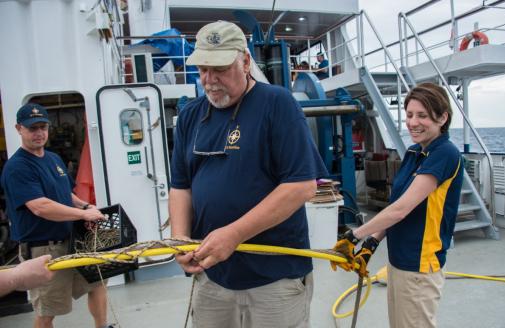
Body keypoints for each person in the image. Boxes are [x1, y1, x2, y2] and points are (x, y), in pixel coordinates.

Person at [169, 21, 328, 328]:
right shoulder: (190, 115)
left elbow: (301, 186)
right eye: (203, 69)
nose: (210, 80)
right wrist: (180, 238)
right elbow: (180, 186)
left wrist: (234, 234)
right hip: (212, 277)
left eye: (220, 69)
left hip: (275, 280)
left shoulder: (277, 104)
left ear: (244, 61)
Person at [331, 83, 464, 328]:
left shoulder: (445, 154)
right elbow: (395, 208)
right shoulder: (414, 152)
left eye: (422, 115)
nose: (413, 122)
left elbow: (401, 209)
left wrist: (354, 237)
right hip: (398, 261)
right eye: (410, 115)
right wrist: (372, 243)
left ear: (442, 117)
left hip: (419, 266)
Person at [0, 103, 112, 328]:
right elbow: (41, 207)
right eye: (32, 128)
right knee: (48, 309)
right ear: (18, 129)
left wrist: (86, 207)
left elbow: (66, 194)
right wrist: (82, 216)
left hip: (74, 241)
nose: (39, 133)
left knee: (97, 283)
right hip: (44, 249)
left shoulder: (53, 159)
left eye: (43, 127)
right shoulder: (17, 167)